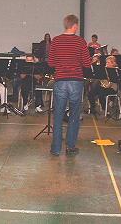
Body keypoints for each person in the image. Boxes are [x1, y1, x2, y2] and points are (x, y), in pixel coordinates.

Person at [48, 15, 91, 156]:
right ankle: (71, 147)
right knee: (74, 116)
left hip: (60, 81)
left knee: (58, 116)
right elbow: (86, 63)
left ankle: (55, 149)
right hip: (75, 82)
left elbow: (51, 63)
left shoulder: (56, 40)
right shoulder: (80, 42)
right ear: (75, 26)